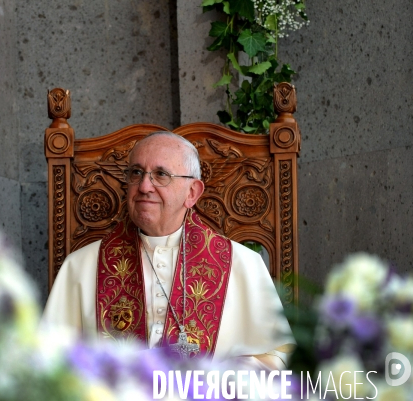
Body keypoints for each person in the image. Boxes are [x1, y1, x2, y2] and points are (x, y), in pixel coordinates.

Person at [42, 132, 294, 369]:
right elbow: (50, 361)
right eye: (136, 173)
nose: (144, 186)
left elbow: (276, 358)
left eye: (160, 174)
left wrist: (213, 378)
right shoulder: (81, 266)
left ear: (192, 193)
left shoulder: (243, 264)